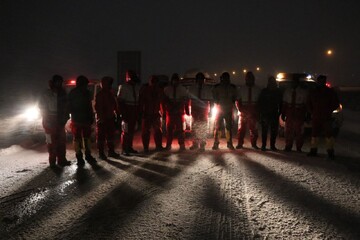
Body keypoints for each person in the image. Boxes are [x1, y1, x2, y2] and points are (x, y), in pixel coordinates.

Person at [39, 75, 71, 168]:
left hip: (60, 122)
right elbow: (42, 107)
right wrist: (47, 120)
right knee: (51, 143)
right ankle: (52, 162)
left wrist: (65, 118)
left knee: (61, 141)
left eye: (60, 82)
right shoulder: (46, 94)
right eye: (57, 82)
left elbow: (66, 107)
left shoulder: (63, 93)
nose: (58, 84)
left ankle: (62, 160)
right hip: (49, 122)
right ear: (53, 82)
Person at [307, 75, 340, 160]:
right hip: (316, 116)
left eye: (323, 81)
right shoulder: (313, 92)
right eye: (320, 81)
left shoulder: (330, 92)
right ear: (318, 82)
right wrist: (312, 111)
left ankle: (330, 151)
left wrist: (328, 110)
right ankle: (313, 150)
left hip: (326, 117)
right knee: (314, 134)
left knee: (329, 135)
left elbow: (336, 103)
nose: (322, 82)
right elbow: (308, 103)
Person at [68, 75, 96, 166]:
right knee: (81, 139)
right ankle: (82, 157)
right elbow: (88, 106)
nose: (86, 86)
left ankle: (83, 156)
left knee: (81, 139)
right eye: (85, 84)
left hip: (80, 119)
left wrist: (91, 116)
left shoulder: (75, 92)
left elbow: (89, 105)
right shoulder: (85, 93)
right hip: (80, 120)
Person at [94, 76, 120, 160]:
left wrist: (116, 113)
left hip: (110, 118)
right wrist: (101, 118)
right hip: (103, 119)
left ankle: (110, 151)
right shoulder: (101, 95)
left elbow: (113, 105)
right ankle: (101, 153)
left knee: (110, 136)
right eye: (109, 83)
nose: (110, 85)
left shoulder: (109, 93)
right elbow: (99, 108)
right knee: (101, 137)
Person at [187, 72, 214, 151]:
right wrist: (188, 110)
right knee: (195, 127)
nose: (200, 80)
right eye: (198, 79)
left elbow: (211, 101)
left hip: (203, 109)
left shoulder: (207, 88)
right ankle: (195, 144)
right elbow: (188, 100)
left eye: (201, 79)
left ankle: (202, 144)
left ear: (204, 80)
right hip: (195, 109)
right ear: (196, 80)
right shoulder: (192, 88)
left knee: (203, 126)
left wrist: (211, 111)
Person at [281, 74, 308, 152]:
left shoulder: (303, 92)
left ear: (298, 82)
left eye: (296, 82)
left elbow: (305, 105)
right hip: (289, 115)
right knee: (288, 131)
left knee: (299, 132)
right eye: (293, 82)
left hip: (299, 115)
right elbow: (284, 104)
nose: (294, 83)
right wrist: (283, 113)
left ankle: (299, 148)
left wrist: (306, 115)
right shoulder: (287, 91)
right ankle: (288, 146)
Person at [117, 70, 141, 155]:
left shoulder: (136, 87)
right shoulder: (123, 87)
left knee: (131, 131)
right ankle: (124, 149)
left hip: (134, 111)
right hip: (127, 111)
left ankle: (129, 147)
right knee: (126, 131)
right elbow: (120, 102)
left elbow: (138, 101)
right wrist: (123, 113)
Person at [139, 75, 165, 152]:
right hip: (147, 113)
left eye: (155, 82)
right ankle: (147, 147)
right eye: (153, 81)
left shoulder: (158, 90)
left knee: (157, 131)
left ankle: (157, 146)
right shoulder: (145, 90)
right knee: (147, 131)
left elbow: (162, 102)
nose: (154, 83)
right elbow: (141, 102)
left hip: (155, 113)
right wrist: (142, 112)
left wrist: (162, 112)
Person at [236, 71, 261, 149]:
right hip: (243, 111)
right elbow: (237, 101)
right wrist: (241, 110)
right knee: (241, 129)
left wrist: (257, 112)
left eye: (251, 78)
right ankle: (240, 143)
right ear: (245, 79)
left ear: (253, 79)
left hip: (253, 112)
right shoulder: (241, 89)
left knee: (254, 129)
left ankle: (254, 144)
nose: (250, 80)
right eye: (248, 78)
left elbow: (260, 102)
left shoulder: (258, 89)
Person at [212, 72, 237, 150]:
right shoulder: (217, 87)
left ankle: (229, 143)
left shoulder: (232, 87)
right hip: (220, 110)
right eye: (224, 78)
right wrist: (216, 103)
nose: (225, 80)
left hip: (228, 110)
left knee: (228, 128)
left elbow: (235, 97)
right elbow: (214, 96)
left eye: (227, 78)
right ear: (221, 78)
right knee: (217, 127)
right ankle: (216, 143)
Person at [163, 73, 188, 151]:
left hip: (179, 113)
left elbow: (185, 101)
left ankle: (181, 145)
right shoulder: (167, 89)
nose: (175, 82)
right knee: (169, 129)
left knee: (180, 129)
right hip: (170, 113)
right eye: (174, 80)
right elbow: (164, 101)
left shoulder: (183, 89)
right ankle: (168, 144)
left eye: (176, 80)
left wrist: (184, 110)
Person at [257, 76, 283, 151]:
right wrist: (260, 112)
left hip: (274, 113)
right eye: (270, 82)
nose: (272, 83)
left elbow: (281, 103)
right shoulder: (264, 91)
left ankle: (272, 146)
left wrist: (280, 112)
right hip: (265, 114)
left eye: (273, 82)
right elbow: (260, 102)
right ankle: (264, 145)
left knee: (274, 131)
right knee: (264, 131)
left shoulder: (278, 92)